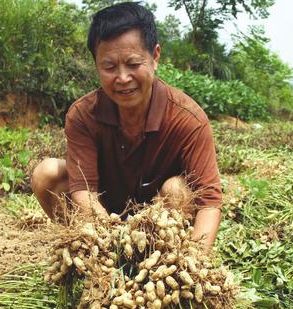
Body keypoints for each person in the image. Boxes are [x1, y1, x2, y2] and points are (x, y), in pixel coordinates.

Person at [31, 2, 222, 249]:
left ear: (155, 57)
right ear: (96, 64)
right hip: (104, 220)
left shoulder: (188, 118)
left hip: (161, 226)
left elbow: (209, 201)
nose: (122, 78)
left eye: (133, 64)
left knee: (177, 189)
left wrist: (196, 263)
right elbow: (84, 192)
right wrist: (115, 247)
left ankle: (163, 257)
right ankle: (89, 256)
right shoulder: (83, 115)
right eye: (109, 67)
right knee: (47, 174)